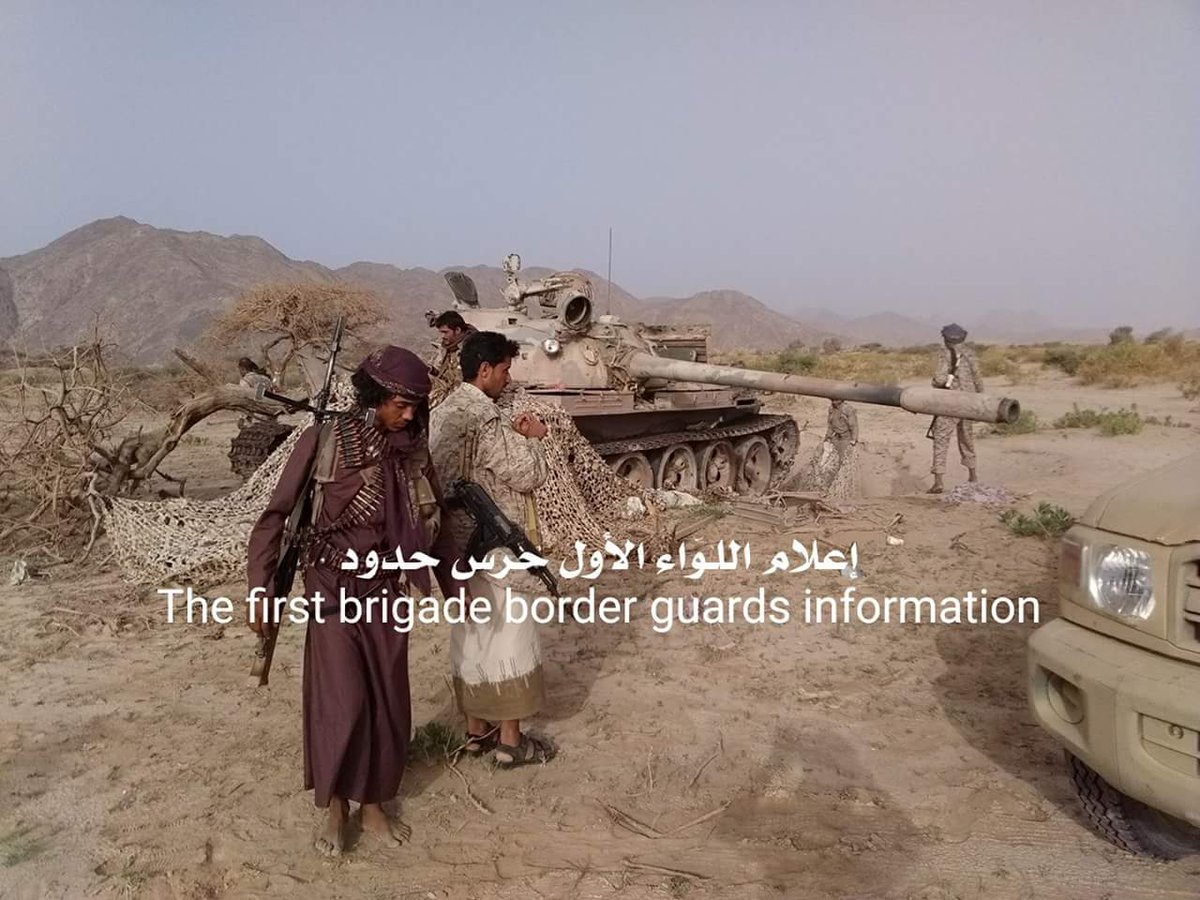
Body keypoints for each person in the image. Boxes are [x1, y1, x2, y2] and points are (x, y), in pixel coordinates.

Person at [246, 346, 446, 857]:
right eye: (401, 405)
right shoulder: (325, 440)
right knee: (343, 700)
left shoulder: (412, 452)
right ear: (376, 397)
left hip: (387, 590)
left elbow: (436, 521)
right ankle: (335, 805)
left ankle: (374, 803)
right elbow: (276, 517)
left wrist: (455, 588)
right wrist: (260, 588)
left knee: (388, 699)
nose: (409, 416)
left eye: (416, 407)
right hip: (331, 585)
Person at [428, 330, 556, 768]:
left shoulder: (443, 412)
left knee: (472, 634)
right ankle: (510, 742)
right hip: (495, 550)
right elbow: (527, 474)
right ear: (484, 370)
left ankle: (475, 732)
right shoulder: (485, 417)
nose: (507, 378)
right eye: (504, 369)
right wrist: (535, 437)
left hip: (456, 548)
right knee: (510, 634)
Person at [928, 323, 983, 493]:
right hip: (968, 402)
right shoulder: (970, 354)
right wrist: (978, 400)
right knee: (967, 440)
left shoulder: (944, 353)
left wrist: (935, 384)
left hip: (949, 403)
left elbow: (940, 379)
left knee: (941, 440)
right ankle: (973, 476)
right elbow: (978, 379)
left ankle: (938, 482)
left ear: (946, 338)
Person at [427, 310, 477, 407]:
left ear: (457, 330)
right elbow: (442, 372)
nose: (442, 336)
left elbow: (465, 384)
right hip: (448, 390)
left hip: (461, 398)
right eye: (441, 332)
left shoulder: (471, 349)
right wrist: (431, 370)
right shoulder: (449, 346)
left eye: (445, 332)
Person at [825, 399, 858, 463]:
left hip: (846, 438)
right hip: (836, 437)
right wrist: (827, 437)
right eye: (832, 399)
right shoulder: (831, 409)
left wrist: (853, 440)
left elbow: (853, 426)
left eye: (836, 399)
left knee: (843, 459)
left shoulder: (848, 409)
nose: (833, 401)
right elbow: (830, 425)